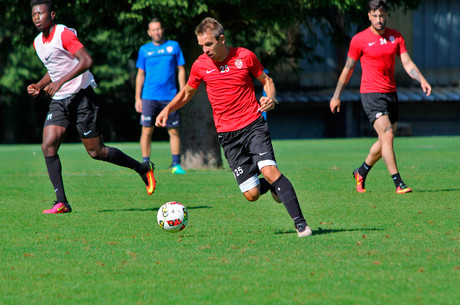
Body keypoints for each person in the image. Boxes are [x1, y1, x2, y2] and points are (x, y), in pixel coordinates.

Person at [156, 17, 312, 237]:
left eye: (208, 44)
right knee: (252, 194)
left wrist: (271, 99)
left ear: (222, 39)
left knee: (269, 170)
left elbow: (267, 81)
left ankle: (301, 225)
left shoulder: (245, 56)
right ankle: (272, 185)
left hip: (253, 125)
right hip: (228, 135)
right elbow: (186, 93)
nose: (205, 50)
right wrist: (168, 109)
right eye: (201, 45)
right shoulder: (200, 65)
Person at [28, 0, 156, 214]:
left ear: (52, 14)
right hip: (60, 100)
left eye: (40, 14)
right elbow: (55, 67)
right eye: (33, 15)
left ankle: (142, 168)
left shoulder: (64, 35)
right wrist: (40, 85)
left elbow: (86, 60)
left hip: (82, 97)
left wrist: (59, 82)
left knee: (96, 152)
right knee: (48, 145)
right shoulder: (37, 43)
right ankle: (61, 202)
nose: (37, 18)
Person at [330, 0, 431, 194]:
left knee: (384, 140)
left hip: (391, 94)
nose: (379, 19)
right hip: (370, 94)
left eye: (382, 15)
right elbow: (348, 69)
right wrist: (336, 96)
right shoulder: (359, 39)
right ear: (369, 16)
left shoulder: (396, 37)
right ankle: (398, 183)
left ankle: (361, 172)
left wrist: (422, 79)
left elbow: (407, 63)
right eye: (375, 16)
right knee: (388, 135)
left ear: (386, 15)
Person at [135, 18, 186, 174]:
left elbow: (181, 70)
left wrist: (183, 92)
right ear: (149, 32)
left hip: (170, 97)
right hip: (149, 96)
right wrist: (137, 98)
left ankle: (176, 164)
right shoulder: (144, 50)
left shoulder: (174, 46)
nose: (156, 32)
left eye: (158, 29)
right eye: (153, 30)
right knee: (147, 130)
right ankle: (145, 163)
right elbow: (140, 74)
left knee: (173, 130)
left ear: (162, 30)